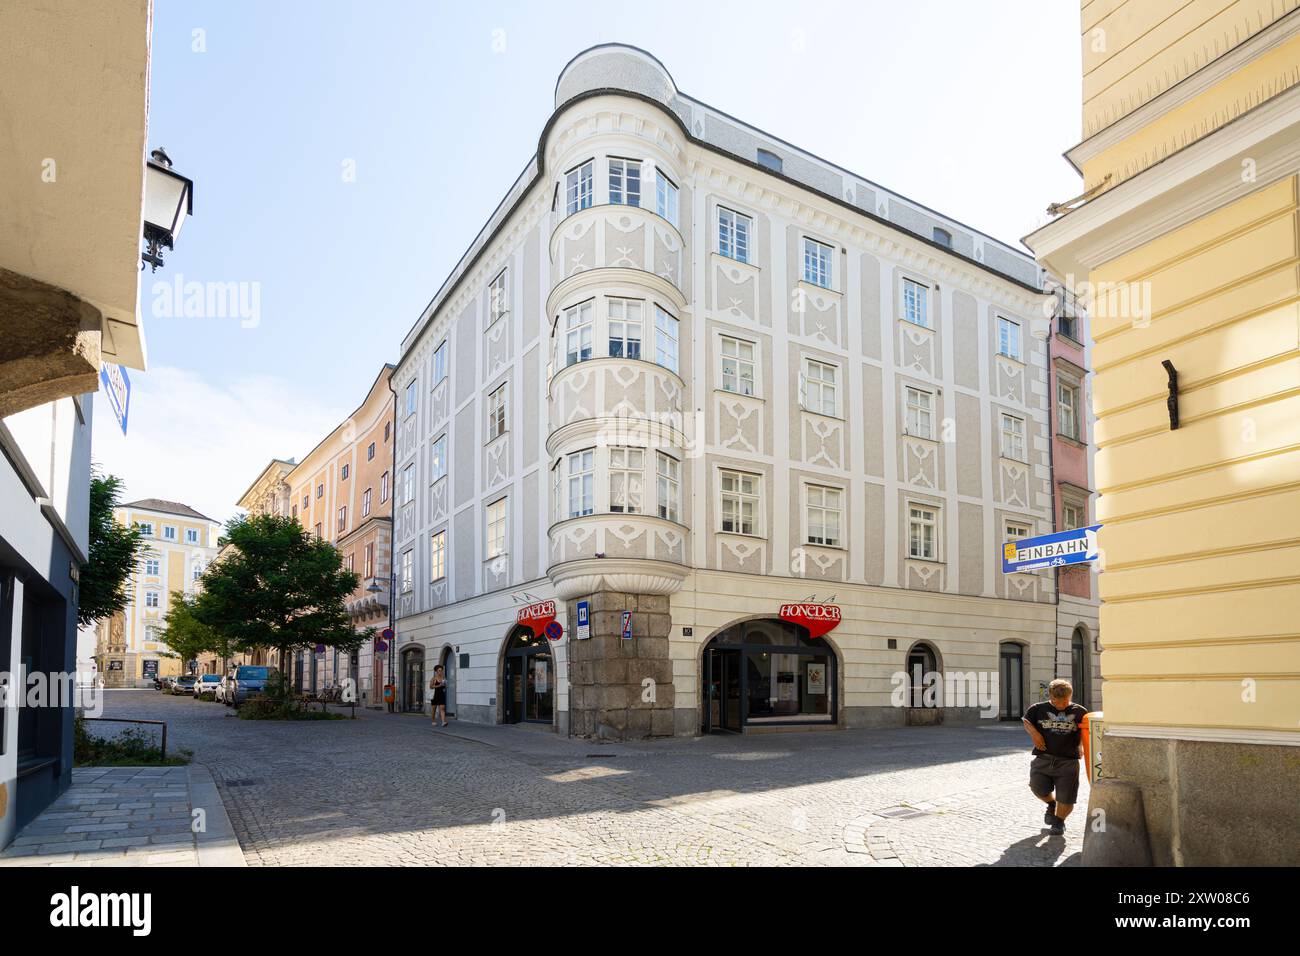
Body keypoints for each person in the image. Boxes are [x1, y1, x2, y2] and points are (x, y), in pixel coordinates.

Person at [1022, 678, 1089, 836]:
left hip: (1068, 761)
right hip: (1043, 758)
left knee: (1067, 798)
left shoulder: (1080, 712)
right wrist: (1035, 733)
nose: (1060, 705)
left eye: (1064, 702)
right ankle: (1051, 804)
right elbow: (1026, 721)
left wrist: (1081, 745)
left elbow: (1086, 731)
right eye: (1056, 701)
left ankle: (1059, 822)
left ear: (1070, 695)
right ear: (1050, 696)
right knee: (1036, 787)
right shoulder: (1037, 709)